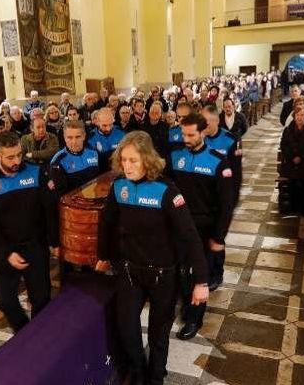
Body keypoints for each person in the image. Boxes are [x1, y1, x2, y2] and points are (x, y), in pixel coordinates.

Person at [95, 131, 208, 385]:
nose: (127, 166)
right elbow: (107, 223)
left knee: (158, 333)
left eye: (133, 160)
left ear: (147, 159)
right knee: (126, 326)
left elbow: (191, 237)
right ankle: (138, 370)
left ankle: (155, 377)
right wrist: (104, 255)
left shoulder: (167, 191)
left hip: (163, 275)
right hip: (130, 271)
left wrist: (201, 281)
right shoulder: (119, 186)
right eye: (123, 160)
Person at [0, 131, 58, 333]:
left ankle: (38, 338)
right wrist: (6, 253)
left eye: (19, 155)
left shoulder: (36, 172)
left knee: (41, 300)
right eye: (10, 157)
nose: (17, 161)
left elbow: (49, 210)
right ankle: (24, 333)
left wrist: (54, 242)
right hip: (6, 250)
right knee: (5, 301)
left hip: (35, 246)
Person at [167, 113, 235, 339]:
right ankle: (184, 304)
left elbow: (226, 205)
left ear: (204, 132)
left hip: (204, 228)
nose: (185, 138)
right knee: (180, 271)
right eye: (183, 134)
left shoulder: (218, 161)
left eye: (191, 134)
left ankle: (194, 318)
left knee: (198, 273)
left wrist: (219, 237)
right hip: (178, 224)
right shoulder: (175, 155)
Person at [280, 107, 304, 215]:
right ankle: (292, 207)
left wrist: (300, 157)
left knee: (303, 183)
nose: (299, 117)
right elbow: (284, 145)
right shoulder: (288, 130)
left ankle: (302, 208)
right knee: (292, 182)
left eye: (302, 115)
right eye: (297, 115)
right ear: (294, 117)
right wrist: (292, 157)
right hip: (290, 162)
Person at [48, 120, 100, 194]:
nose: (74, 142)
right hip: (75, 203)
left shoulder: (93, 152)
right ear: (64, 138)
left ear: (84, 136)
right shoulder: (58, 160)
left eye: (78, 137)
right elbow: (61, 194)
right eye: (70, 137)